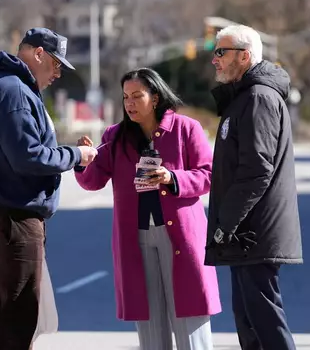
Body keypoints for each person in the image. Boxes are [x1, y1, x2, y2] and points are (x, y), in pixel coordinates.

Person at [0, 27, 98, 350]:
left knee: (10, 315)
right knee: (18, 319)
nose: (57, 74)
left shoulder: (9, 87)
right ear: (38, 54)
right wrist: (76, 155)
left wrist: (68, 156)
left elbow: (27, 151)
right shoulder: (14, 91)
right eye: (56, 65)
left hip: (3, 216)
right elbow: (27, 156)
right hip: (12, 218)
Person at [74, 68, 221, 350]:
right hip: (137, 239)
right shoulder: (115, 136)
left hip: (180, 237)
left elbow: (210, 174)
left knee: (190, 319)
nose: (129, 103)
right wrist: (84, 161)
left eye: (136, 96)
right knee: (151, 326)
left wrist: (173, 177)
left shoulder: (185, 128)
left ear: (154, 97)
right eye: (125, 96)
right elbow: (93, 182)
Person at [204, 24, 303, 350]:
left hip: (254, 233)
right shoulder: (244, 97)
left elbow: (257, 170)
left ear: (244, 56)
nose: (215, 60)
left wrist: (225, 224)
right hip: (244, 234)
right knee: (250, 325)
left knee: (265, 325)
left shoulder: (259, 98)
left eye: (221, 52)